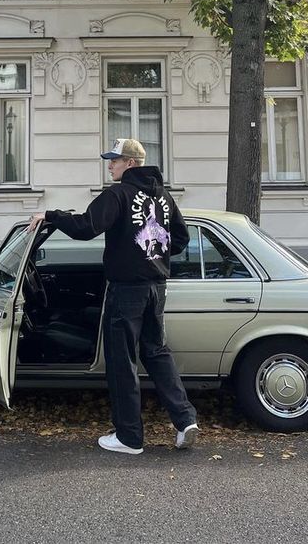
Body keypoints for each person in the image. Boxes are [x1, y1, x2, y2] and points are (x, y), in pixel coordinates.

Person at [28, 137, 199, 455]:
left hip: (127, 290)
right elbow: (181, 238)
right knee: (157, 353)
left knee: (122, 361)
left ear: (131, 163)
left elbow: (85, 227)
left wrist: (51, 215)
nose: (110, 165)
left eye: (115, 160)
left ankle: (129, 437)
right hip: (156, 288)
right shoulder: (163, 197)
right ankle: (185, 420)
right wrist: (153, 254)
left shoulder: (118, 194)